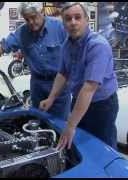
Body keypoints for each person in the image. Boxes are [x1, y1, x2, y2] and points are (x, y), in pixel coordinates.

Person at [0, 2, 71, 120]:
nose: (31, 22)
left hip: (59, 85)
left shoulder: (60, 28)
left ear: (42, 12)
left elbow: (75, 50)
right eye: (27, 19)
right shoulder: (22, 32)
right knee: (39, 123)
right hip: (37, 86)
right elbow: (2, 48)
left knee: (60, 124)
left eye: (33, 17)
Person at [39, 2, 119, 150]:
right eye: (68, 19)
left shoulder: (97, 46)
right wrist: (51, 98)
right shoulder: (67, 45)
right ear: (63, 23)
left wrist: (70, 125)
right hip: (79, 101)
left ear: (86, 19)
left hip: (101, 105)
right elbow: (63, 73)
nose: (73, 22)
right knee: (84, 145)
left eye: (77, 17)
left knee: (104, 147)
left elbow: (89, 88)